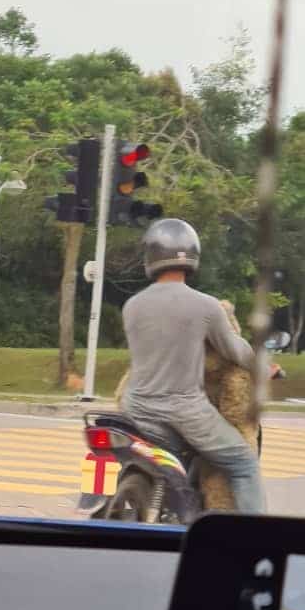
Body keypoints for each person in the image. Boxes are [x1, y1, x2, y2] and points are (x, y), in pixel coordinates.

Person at [121, 218, 266, 514]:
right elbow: (234, 350)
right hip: (184, 411)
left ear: (151, 256)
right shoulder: (206, 306)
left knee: (179, 454)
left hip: (135, 408)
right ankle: (257, 538)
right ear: (192, 255)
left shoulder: (131, 306)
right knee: (243, 464)